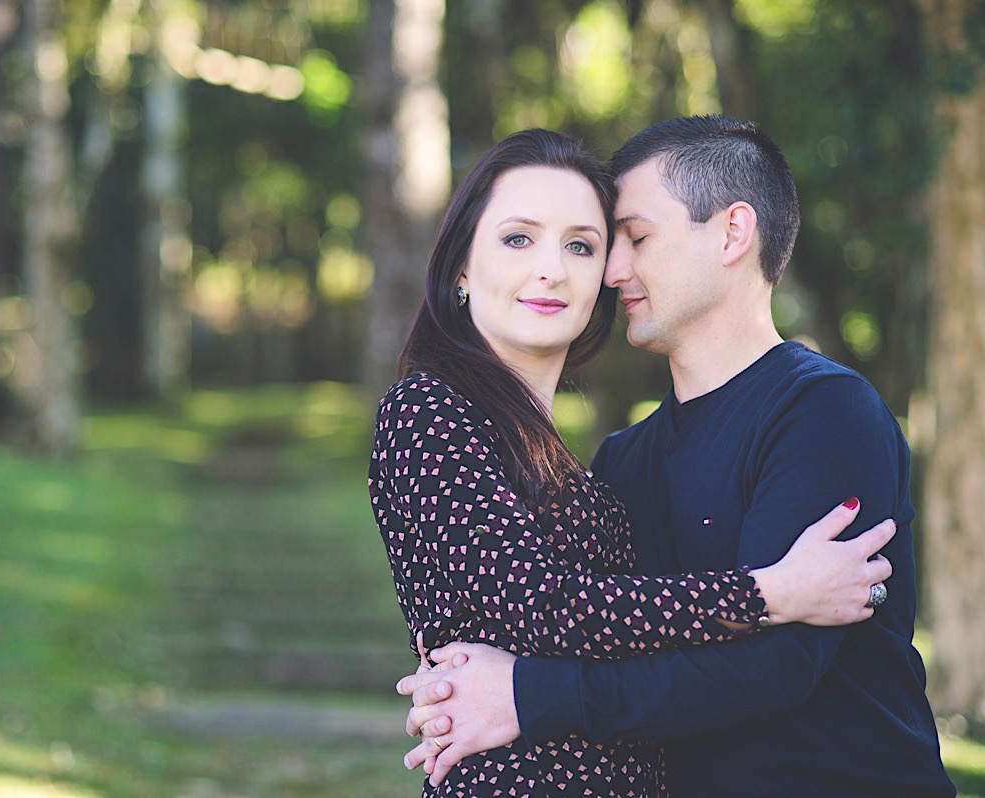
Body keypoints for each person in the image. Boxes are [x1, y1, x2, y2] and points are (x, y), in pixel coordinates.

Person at [396, 117, 956, 797]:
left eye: (632, 238)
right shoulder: (620, 461)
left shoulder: (825, 412)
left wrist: (524, 693)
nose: (611, 271)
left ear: (732, 232)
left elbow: (775, 667)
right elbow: (577, 622)